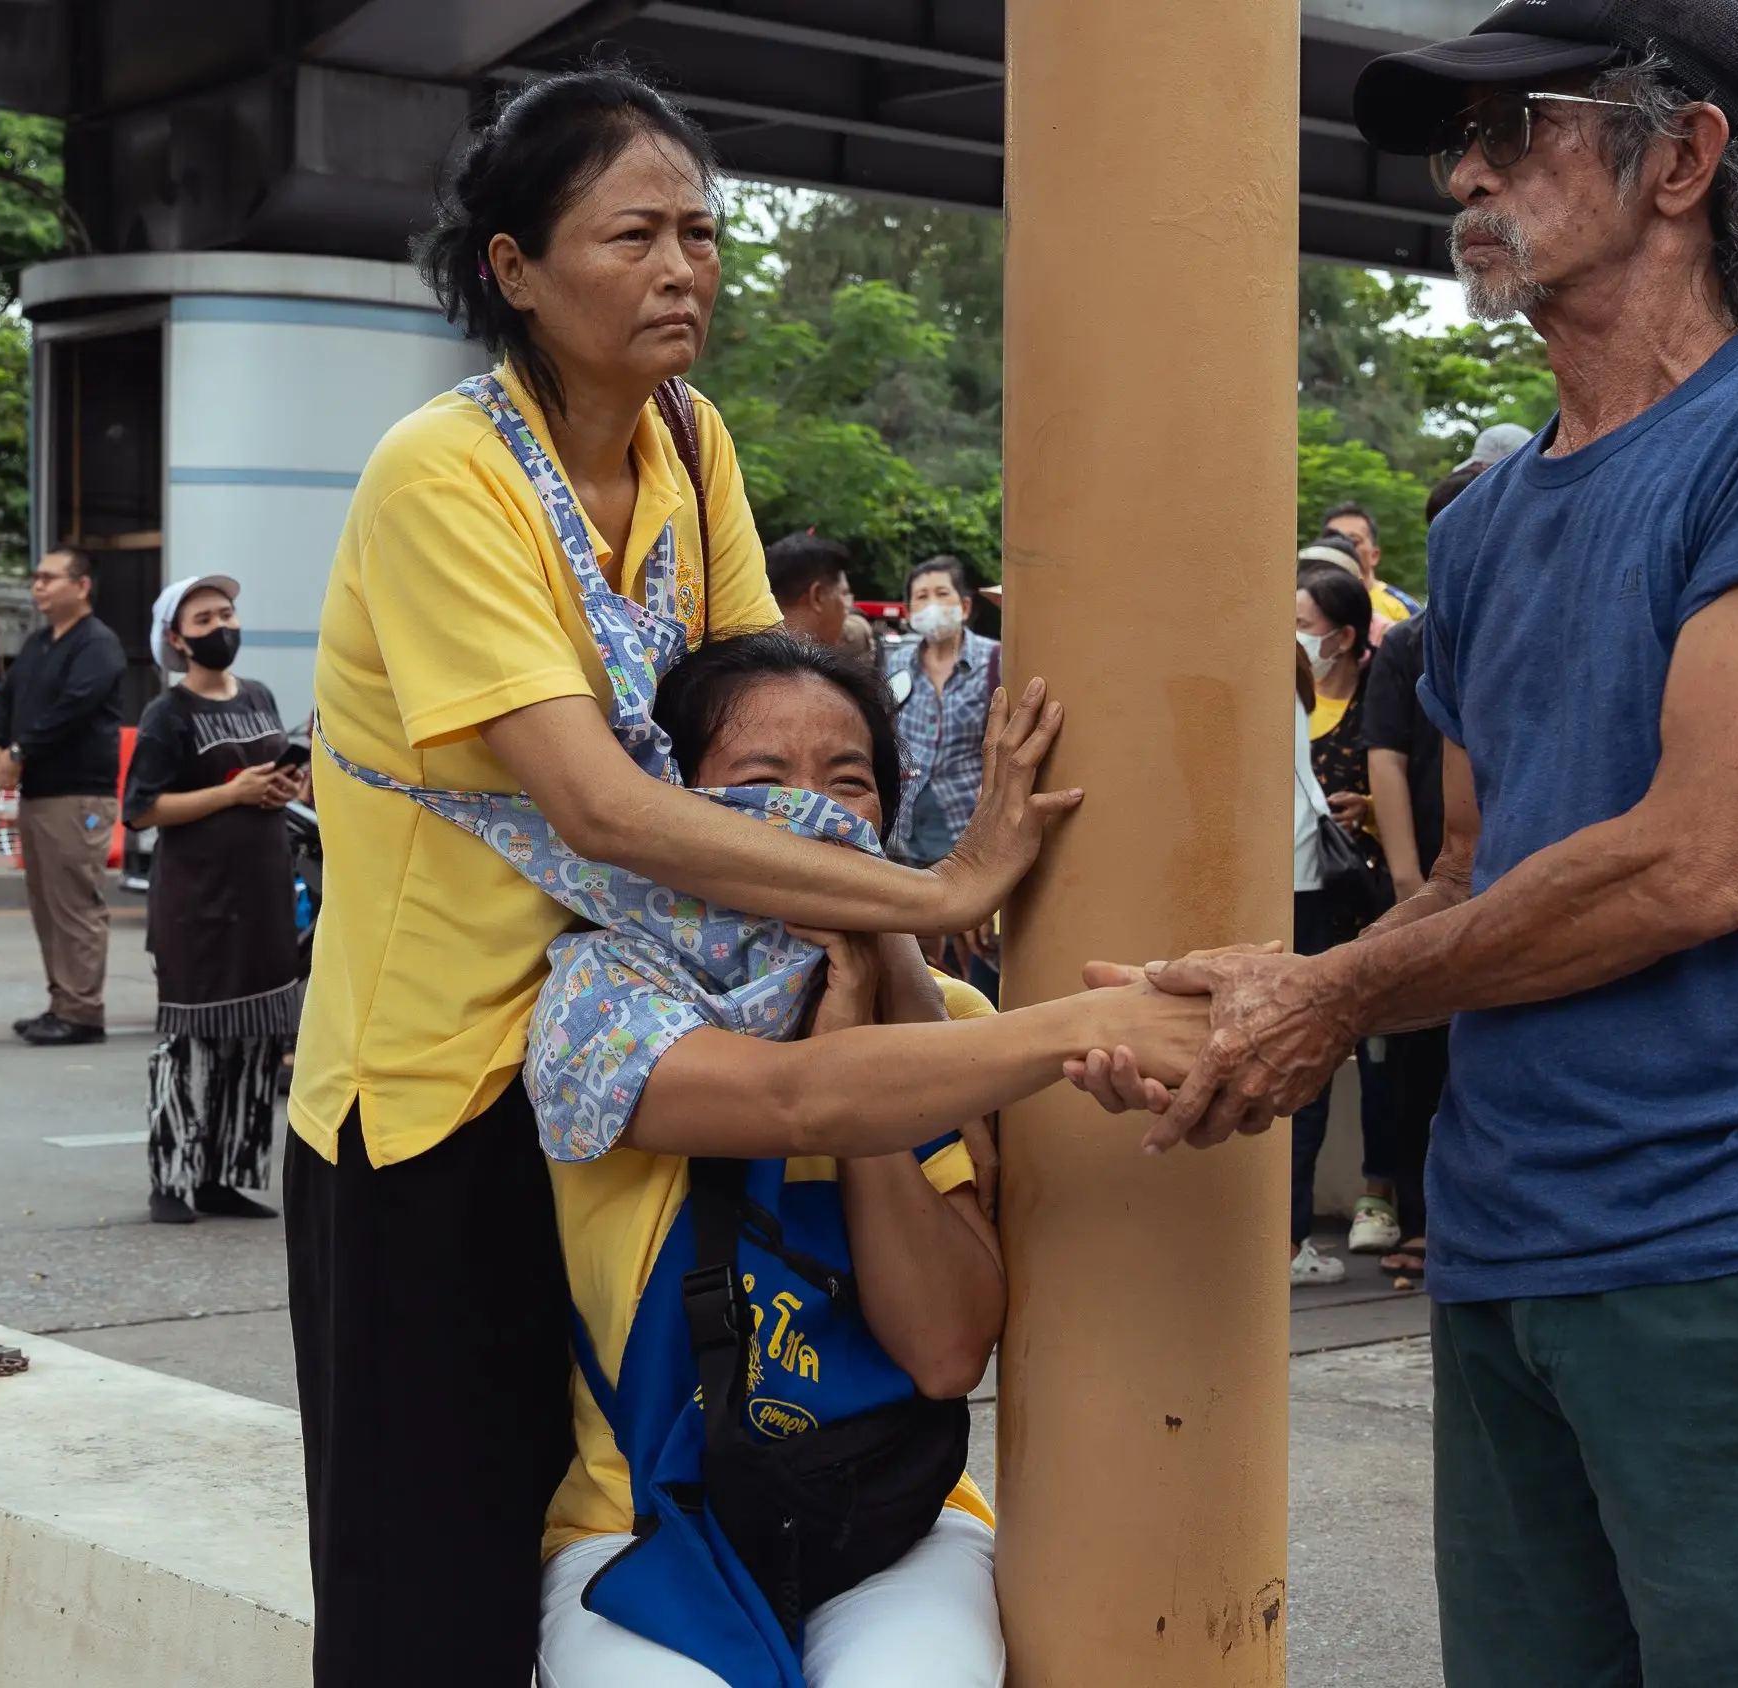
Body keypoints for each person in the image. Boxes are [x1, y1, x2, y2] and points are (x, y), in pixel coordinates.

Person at [1077, 7, 1738, 1680]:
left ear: (1684, 157)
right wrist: (1300, 990)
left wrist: (1326, 999)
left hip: (1731, 1235)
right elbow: (1470, 868)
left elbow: (1691, 861)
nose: (1465, 169)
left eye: (1518, 124)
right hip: (1508, 1231)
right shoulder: (1490, 514)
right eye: (1449, 138)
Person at [290, 70, 1076, 1688]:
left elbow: (730, 731)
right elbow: (600, 799)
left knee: (635, 1494)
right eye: (633, 233)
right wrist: (932, 887)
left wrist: (861, 926)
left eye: (702, 234)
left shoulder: (687, 439)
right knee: (429, 1590)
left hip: (668, 1019)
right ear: (511, 267)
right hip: (445, 1083)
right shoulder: (448, 474)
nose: (684, 269)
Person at [534, 632, 1207, 1687]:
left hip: (887, 1514)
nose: (815, 811)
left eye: (848, 782)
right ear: (670, 806)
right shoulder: (601, 1002)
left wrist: (879, 993)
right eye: (761, 781)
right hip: (643, 1518)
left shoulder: (955, 1028)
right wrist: (1058, 1012)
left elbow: (944, 1352)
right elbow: (794, 1099)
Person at [121, 574, 303, 1226]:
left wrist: (284, 785)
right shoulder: (166, 714)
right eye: (203, 619)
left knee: (255, 1041)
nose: (221, 626)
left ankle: (227, 1174)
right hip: (197, 899)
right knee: (189, 1041)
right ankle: (171, 1178)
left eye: (226, 613)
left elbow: (268, 784)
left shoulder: (258, 695)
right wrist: (230, 793)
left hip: (263, 892)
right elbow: (141, 810)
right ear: (176, 638)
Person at [1353, 469, 1496, 1282]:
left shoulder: (1525, 621)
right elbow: (1389, 762)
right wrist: (1415, 885)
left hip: (1514, 886)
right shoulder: (1412, 640)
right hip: (1434, 883)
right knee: (1413, 1060)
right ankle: (1415, 1209)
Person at [1291, 563, 1398, 1278]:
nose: (1294, 637)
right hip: (1296, 889)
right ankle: (1287, 1229)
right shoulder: (1285, 693)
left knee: (1317, 1058)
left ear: (1345, 634)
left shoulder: (1376, 695)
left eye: (1304, 624)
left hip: (1334, 896)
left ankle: (1342, 1209)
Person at [0, 547, 127, 1048]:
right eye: (36, 577)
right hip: (40, 792)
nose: (38, 585)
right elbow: (8, 696)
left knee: (75, 904)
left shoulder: (98, 644)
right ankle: (63, 1002)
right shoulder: (40, 643)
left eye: (49, 577)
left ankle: (83, 1011)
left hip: (79, 795)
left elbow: (74, 707)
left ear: (81, 586)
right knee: (47, 904)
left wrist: (19, 750)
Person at [884, 555, 999, 869]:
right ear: (909, 613)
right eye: (921, 597)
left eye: (942, 593)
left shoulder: (996, 661)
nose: (931, 604)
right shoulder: (896, 664)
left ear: (964, 607)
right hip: (904, 826)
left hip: (966, 826)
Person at [1315, 501, 1423, 630]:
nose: (1341, 547)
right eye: (1332, 540)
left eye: (1353, 541)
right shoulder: (1308, 604)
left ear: (1374, 555)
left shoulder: (1404, 610)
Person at [766, 528, 857, 650]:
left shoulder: (744, 657)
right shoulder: (805, 666)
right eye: (843, 594)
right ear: (818, 596)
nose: (847, 611)